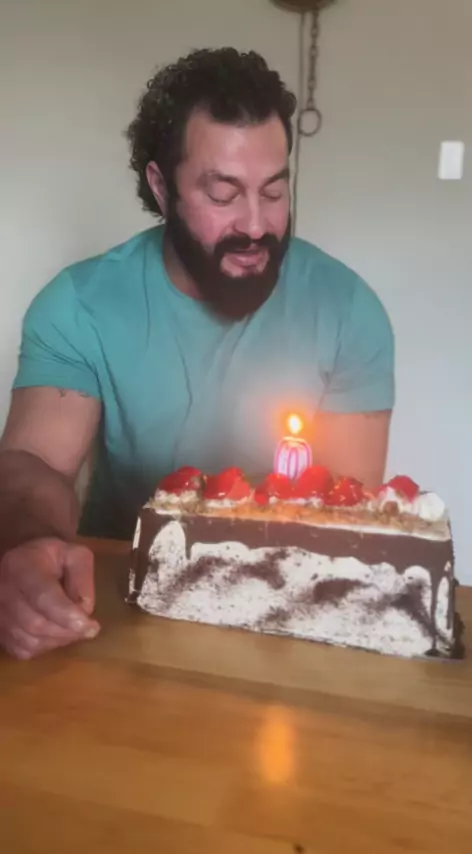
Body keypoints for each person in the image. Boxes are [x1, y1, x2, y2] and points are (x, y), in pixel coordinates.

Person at [0, 48, 394, 660]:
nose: (257, 225)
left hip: (285, 619)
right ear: (162, 188)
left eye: (274, 190)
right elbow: (35, 465)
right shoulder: (78, 304)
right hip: (116, 607)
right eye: (223, 193)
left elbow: (347, 515)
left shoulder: (349, 310)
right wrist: (30, 546)